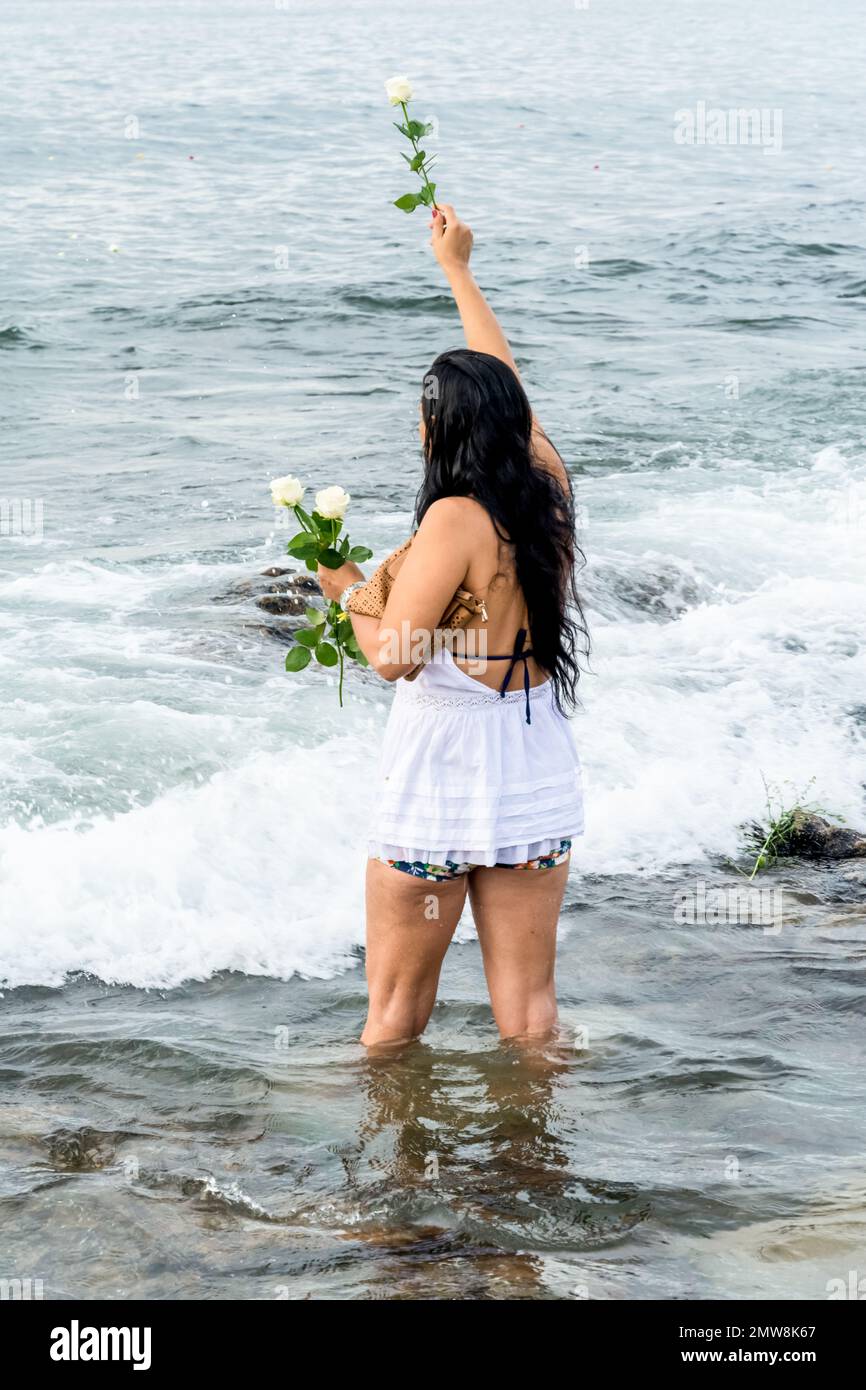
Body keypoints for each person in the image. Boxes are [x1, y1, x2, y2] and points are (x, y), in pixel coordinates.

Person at [318, 204, 587, 1047]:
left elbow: (394, 657)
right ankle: (532, 1168)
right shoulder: (549, 490)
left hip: (442, 778)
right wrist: (458, 271)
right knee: (532, 1016)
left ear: (440, 429)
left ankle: (396, 1176)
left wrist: (346, 587)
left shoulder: (454, 522)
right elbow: (508, 386)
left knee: (396, 1019)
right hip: (533, 766)